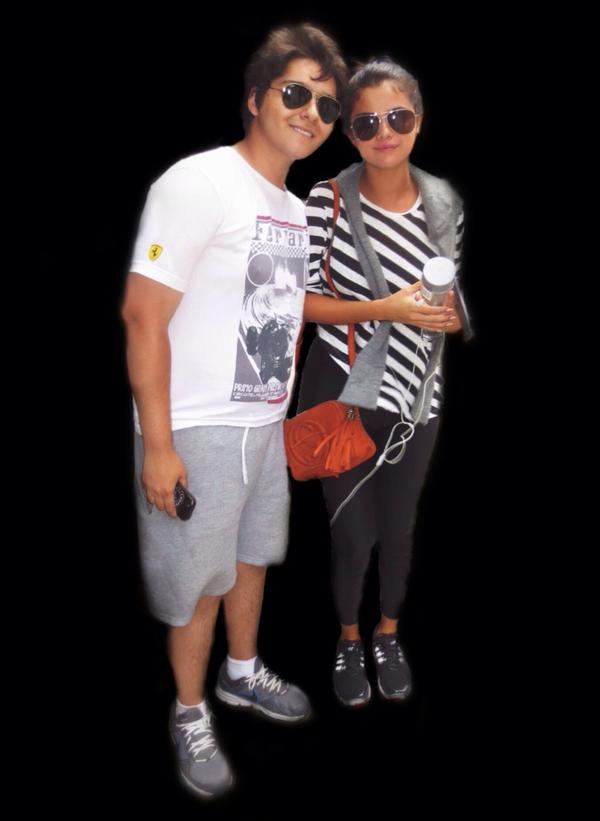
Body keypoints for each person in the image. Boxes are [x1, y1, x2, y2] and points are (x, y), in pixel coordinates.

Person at [120, 23, 347, 799]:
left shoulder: (289, 207)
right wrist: (159, 445)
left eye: (326, 103)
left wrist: (381, 308)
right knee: (198, 583)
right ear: (255, 98)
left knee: (251, 558)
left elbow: (282, 304)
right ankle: (189, 711)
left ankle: (241, 672)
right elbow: (143, 313)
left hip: (263, 424)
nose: (312, 112)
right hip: (197, 427)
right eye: (296, 92)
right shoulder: (197, 182)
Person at [296, 57, 473, 708]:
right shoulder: (327, 199)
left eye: (397, 118)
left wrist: (451, 317)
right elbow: (299, 303)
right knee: (352, 535)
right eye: (366, 122)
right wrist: (384, 309)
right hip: (344, 391)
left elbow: (449, 297)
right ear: (350, 133)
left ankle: (388, 635)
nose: (384, 133)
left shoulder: (444, 201)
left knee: (399, 530)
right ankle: (348, 637)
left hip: (417, 394)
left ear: (419, 121)